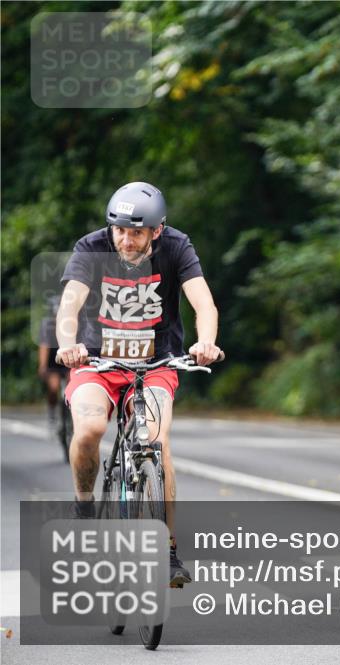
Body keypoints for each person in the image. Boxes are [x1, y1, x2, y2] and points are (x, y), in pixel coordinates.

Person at [55, 181, 223, 588]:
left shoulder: (177, 248)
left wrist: (207, 342)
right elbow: (70, 304)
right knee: (91, 429)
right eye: (119, 231)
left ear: (157, 230)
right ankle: (84, 506)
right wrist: (68, 346)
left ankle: (166, 549)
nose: (125, 241)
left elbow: (203, 302)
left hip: (155, 364)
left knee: (156, 441)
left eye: (135, 233)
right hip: (97, 363)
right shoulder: (92, 248)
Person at [37, 295, 69, 440]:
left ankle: (72, 416)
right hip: (53, 362)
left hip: (68, 360)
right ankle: (52, 415)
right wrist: (43, 366)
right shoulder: (47, 325)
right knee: (54, 387)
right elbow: (43, 346)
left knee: (71, 385)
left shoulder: (71, 322)